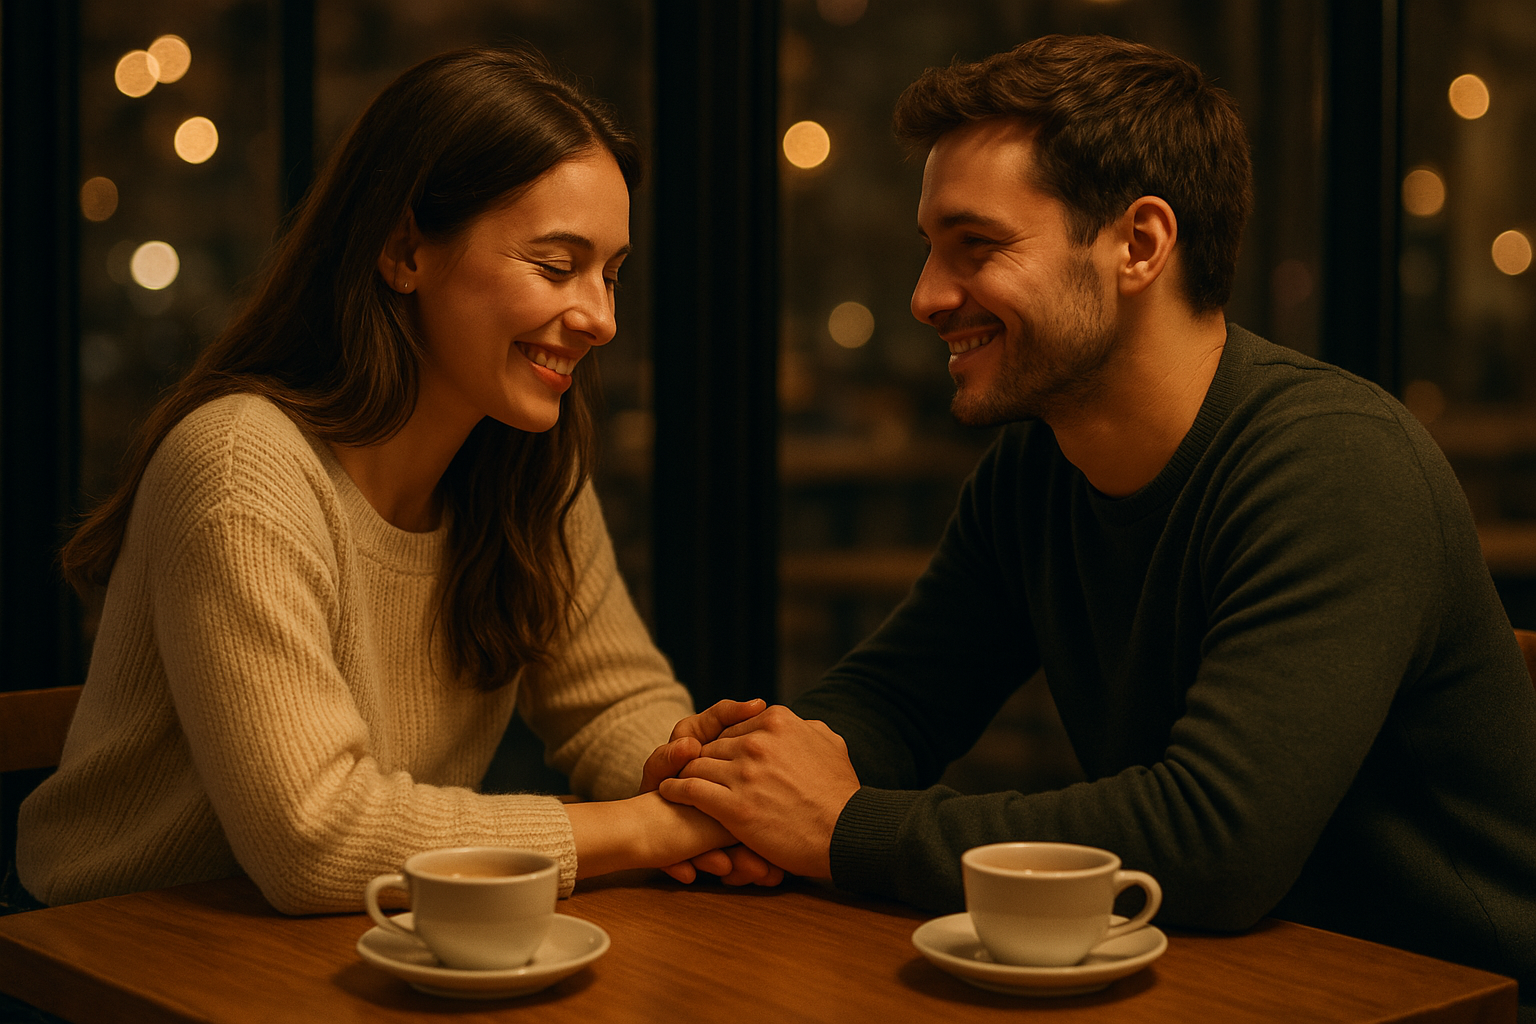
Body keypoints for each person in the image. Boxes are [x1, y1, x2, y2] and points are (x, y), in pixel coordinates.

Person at [654, 35, 1536, 1000]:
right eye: (929, 251)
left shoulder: (1335, 461)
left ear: (1140, 244)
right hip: (1235, 976)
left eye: (976, 247)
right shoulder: (1038, 468)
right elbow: (901, 698)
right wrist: (743, 782)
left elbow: (1215, 841)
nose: (926, 297)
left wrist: (841, 827)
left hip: (1453, 991)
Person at [18, 46, 778, 914]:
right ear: (403, 249)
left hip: (336, 939)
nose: (601, 318)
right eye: (557, 265)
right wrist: (649, 829)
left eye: (611, 273)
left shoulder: (526, 460)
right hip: (103, 953)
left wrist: (706, 793)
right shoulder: (240, 467)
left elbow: (615, 701)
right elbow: (317, 838)